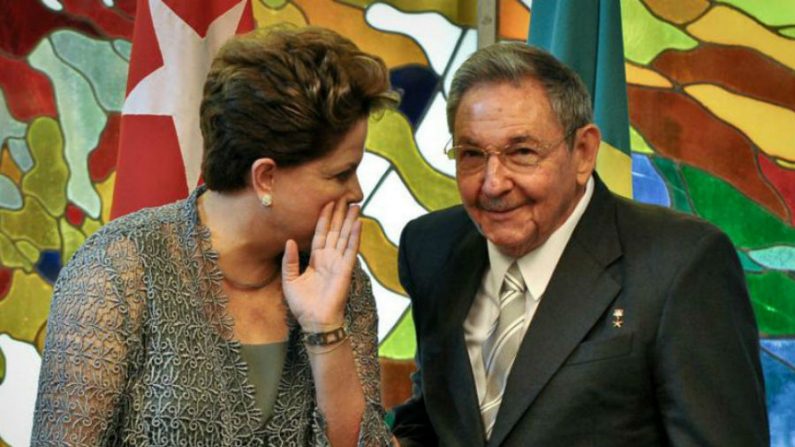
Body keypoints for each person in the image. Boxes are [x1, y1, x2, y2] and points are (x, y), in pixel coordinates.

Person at [32, 26, 398, 446]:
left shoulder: (342, 281)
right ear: (265, 177)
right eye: (340, 174)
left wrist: (325, 327)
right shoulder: (117, 270)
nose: (356, 193)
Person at [390, 42, 769, 446]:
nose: (493, 183)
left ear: (584, 152)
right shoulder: (430, 247)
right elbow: (433, 421)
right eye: (471, 154)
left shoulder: (682, 263)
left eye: (521, 152)